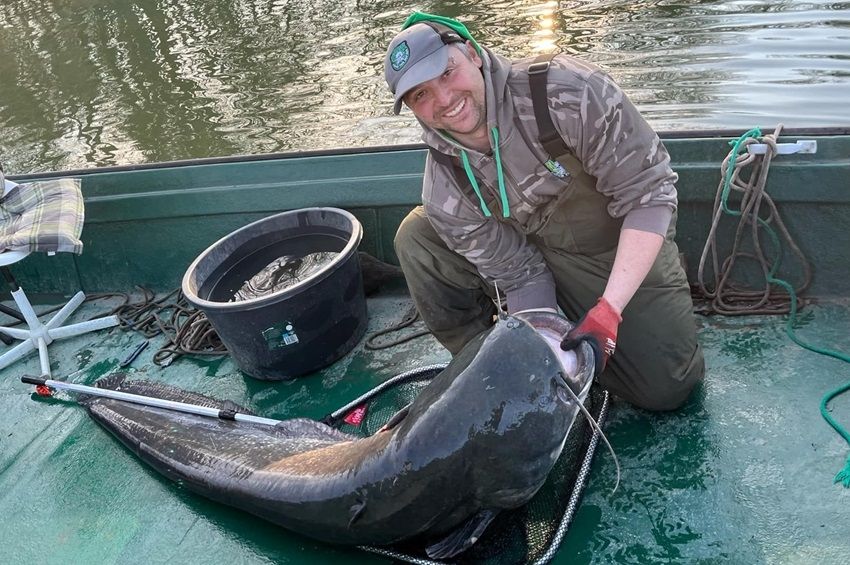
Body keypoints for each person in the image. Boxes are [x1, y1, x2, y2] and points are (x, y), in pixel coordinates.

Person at [383, 13, 704, 410]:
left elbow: (649, 196)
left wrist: (610, 309)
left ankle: (632, 295)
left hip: (613, 244)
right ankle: (486, 362)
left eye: (447, 73)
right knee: (417, 236)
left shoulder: (568, 91)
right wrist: (534, 349)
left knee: (669, 389)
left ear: (472, 54)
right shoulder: (442, 188)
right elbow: (521, 275)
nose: (444, 100)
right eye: (421, 95)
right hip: (534, 254)